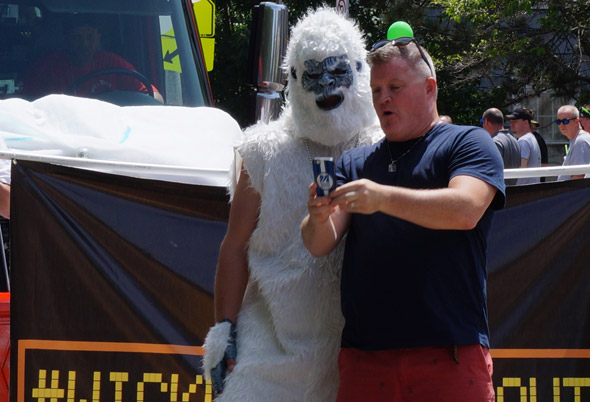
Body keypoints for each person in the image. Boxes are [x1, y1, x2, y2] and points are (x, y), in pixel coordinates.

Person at [301, 33, 505, 402]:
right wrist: (316, 218)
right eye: (376, 89)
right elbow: (319, 244)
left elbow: (466, 209)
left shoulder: (468, 142)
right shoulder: (355, 161)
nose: (383, 99)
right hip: (366, 358)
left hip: (450, 354)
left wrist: (382, 198)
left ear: (429, 88)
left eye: (394, 86)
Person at [202, 8, 381, 402]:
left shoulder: (381, 146)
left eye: (337, 73)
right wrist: (224, 329)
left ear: (357, 68)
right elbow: (235, 244)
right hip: (268, 345)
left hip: (355, 352)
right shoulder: (262, 151)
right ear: (295, 78)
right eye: (313, 75)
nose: (326, 88)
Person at [22, 16, 162, 102]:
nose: (84, 44)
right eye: (77, 37)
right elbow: (28, 106)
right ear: (66, 39)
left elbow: (155, 97)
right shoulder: (47, 68)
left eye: (89, 37)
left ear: (98, 38)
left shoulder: (112, 63)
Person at [481, 108, 520, 184]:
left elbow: (490, 171)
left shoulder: (494, 142)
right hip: (514, 191)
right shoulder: (515, 141)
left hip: (499, 191)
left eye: (482, 122)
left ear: (486, 121)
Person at [555, 105, 590, 181]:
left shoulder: (581, 141)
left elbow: (579, 179)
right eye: (558, 121)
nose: (561, 125)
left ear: (577, 121)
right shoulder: (576, 140)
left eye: (565, 121)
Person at [507, 108, 541, 184]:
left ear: (526, 123)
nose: (511, 124)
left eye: (515, 121)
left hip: (523, 190)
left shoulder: (523, 141)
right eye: (511, 121)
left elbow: (521, 168)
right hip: (531, 188)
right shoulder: (531, 137)